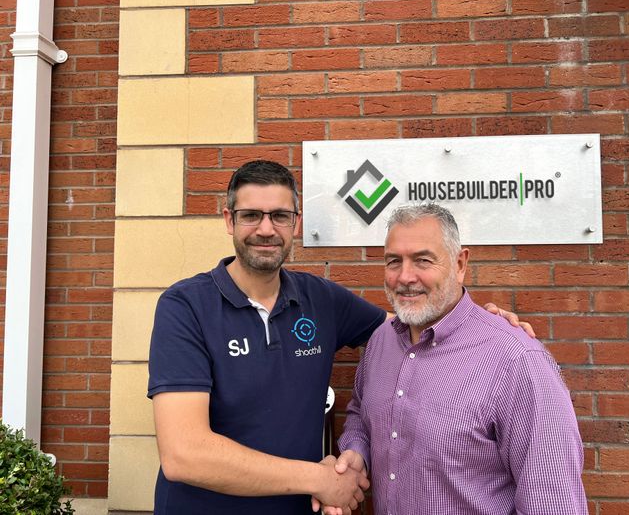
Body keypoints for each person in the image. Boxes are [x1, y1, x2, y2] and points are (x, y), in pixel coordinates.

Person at [148, 161, 532, 514]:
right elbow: (185, 454)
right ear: (229, 220)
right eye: (251, 215)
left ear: (296, 223)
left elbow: (412, 325)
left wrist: (480, 323)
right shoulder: (186, 306)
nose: (266, 229)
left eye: (280, 216)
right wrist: (319, 479)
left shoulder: (321, 300)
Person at [331, 203, 587, 515]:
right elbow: (360, 412)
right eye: (394, 261)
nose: (405, 277)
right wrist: (357, 452)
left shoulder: (517, 360)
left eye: (423, 260)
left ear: (460, 263)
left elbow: (552, 503)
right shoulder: (381, 342)